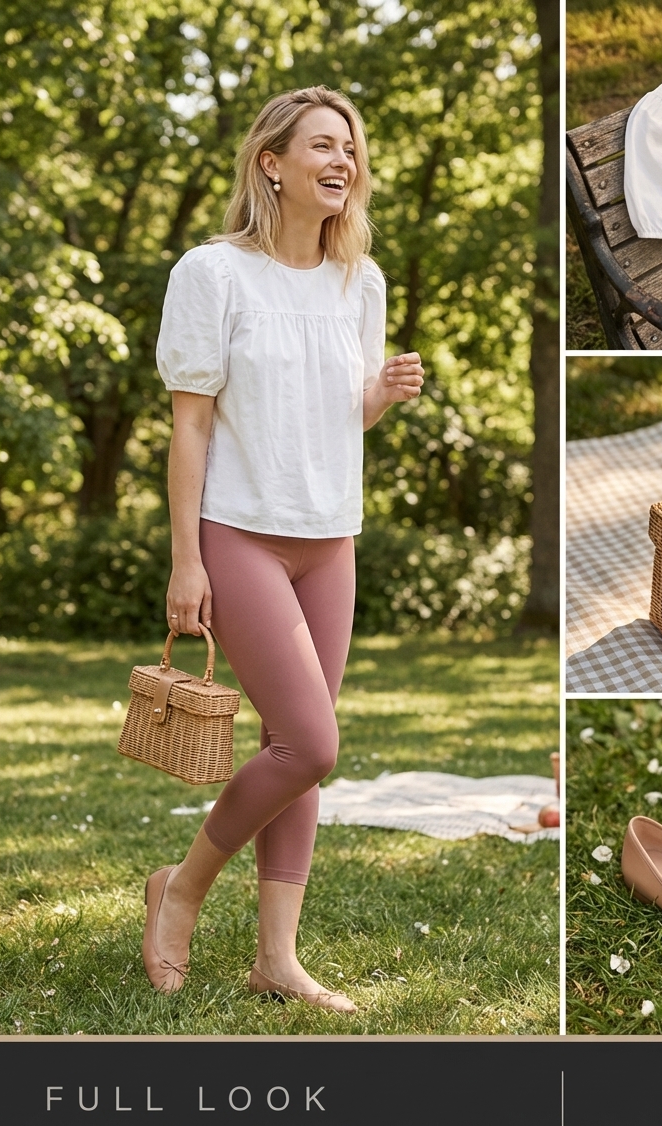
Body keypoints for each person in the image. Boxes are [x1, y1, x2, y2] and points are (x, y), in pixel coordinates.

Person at [145, 86, 424, 1012]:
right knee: (311, 745)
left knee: (290, 744)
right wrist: (187, 559)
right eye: (321, 146)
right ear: (272, 163)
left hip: (329, 539)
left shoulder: (361, 280)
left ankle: (277, 959)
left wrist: (382, 394)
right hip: (240, 535)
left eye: (351, 146)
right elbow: (190, 428)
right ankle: (179, 890)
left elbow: (340, 418)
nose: (342, 161)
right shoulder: (212, 273)